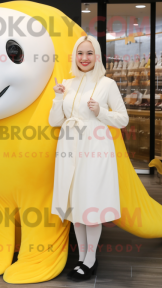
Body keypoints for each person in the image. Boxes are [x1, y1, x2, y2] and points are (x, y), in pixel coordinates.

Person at [48, 35, 129, 282]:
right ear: (75, 56)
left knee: (90, 202)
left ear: (97, 56)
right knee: (74, 202)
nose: (84, 58)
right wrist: (58, 97)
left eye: (90, 53)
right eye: (80, 53)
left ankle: (90, 259)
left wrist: (100, 112)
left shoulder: (107, 84)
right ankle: (83, 258)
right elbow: (54, 121)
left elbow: (123, 119)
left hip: (94, 147)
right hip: (69, 146)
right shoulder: (67, 84)